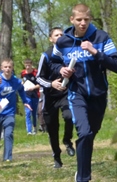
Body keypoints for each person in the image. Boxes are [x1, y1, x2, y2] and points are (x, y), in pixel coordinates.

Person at [51, 3, 117, 182]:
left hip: (98, 95)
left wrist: (94, 51)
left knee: (90, 134)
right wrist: (61, 70)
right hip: (77, 94)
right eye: (79, 20)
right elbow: (52, 63)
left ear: (90, 19)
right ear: (72, 20)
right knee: (84, 133)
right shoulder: (63, 41)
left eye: (86, 20)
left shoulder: (101, 37)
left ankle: (82, 164)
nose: (83, 23)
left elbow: (115, 66)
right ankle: (83, 177)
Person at [36, 27, 76, 169]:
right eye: (56, 35)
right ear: (50, 39)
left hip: (65, 93)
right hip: (50, 97)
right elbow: (38, 78)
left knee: (69, 116)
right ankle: (57, 157)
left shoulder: (69, 53)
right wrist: (51, 84)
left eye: (62, 35)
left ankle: (67, 140)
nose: (59, 37)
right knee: (52, 129)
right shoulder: (46, 55)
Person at [0, 59, 31, 163]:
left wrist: (25, 101)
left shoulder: (16, 81)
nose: (7, 69)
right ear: (1, 68)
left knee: (8, 134)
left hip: (10, 112)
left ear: (12, 68)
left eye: (9, 67)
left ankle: (7, 157)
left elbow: (21, 90)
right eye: (5, 67)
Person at [20, 58, 40, 135]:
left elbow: (40, 84)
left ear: (31, 65)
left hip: (35, 95)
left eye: (29, 65)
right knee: (28, 113)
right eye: (26, 65)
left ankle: (35, 127)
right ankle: (29, 130)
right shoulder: (23, 73)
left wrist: (33, 87)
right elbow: (23, 81)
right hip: (26, 95)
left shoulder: (36, 73)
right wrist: (22, 84)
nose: (27, 67)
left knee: (34, 113)